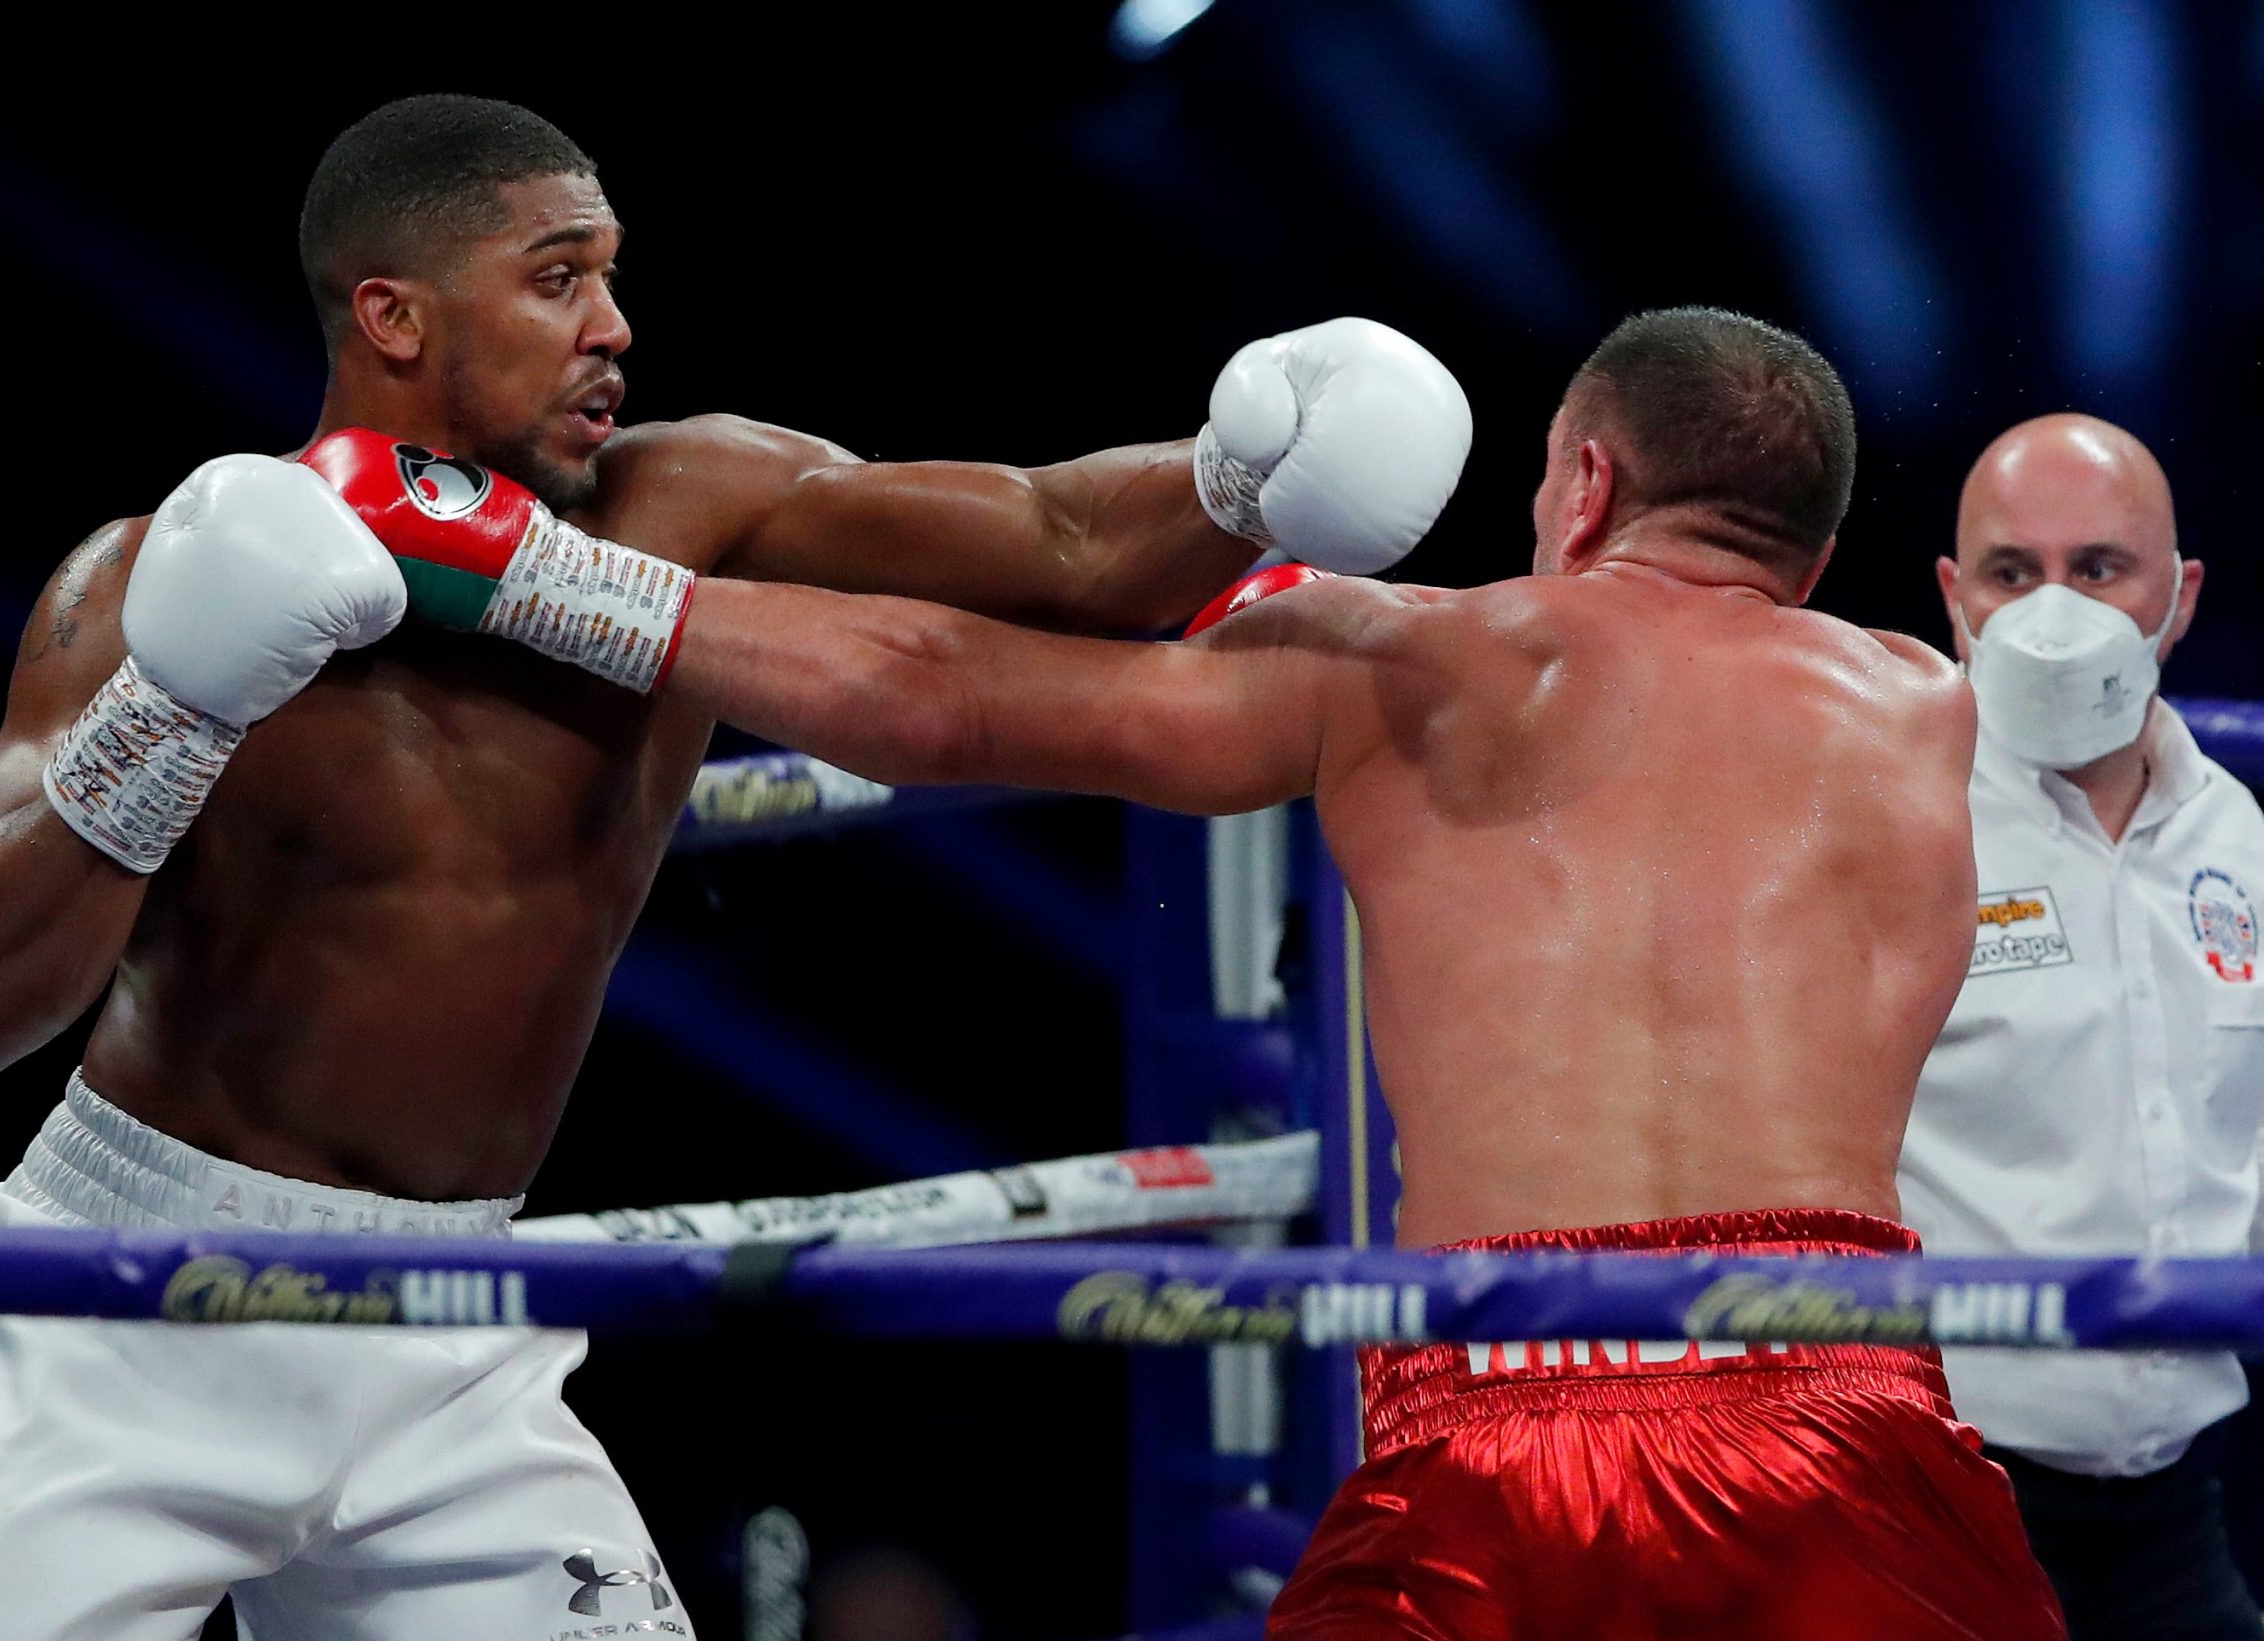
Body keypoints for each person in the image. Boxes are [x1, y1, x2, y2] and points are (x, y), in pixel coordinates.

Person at [0, 95, 1465, 1641]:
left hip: (455, 1324)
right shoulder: (151, 580)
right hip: (142, 1300)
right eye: (557, 278)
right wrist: (173, 711)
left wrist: (1243, 475)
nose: (614, 326)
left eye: (613, 275)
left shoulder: (680, 502)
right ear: (392, 315)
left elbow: (1060, 539)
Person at [434, 305, 2070, 1637]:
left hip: (1502, 1419)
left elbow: (941, 690)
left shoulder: (1408, 656)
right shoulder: (1951, 718)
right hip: (1850, 1409)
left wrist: (537, 566)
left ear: (1583, 481)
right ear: (1823, 539)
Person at [1902, 413, 2264, 1639]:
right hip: (1932, 1505)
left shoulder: (2243, 843)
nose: (2056, 615)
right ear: (1954, 595)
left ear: (2181, 593)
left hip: (2181, 1509)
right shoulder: (1880, 824)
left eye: (2098, 570)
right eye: (2014, 574)